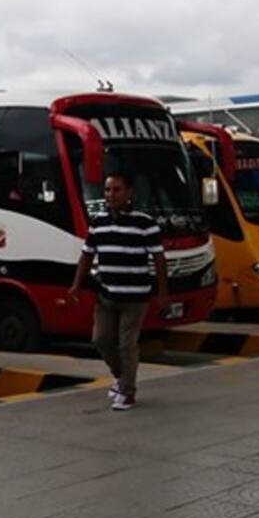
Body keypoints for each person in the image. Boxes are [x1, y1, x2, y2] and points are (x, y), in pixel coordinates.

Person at [66, 171, 168, 411]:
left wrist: (163, 293)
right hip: (106, 295)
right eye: (107, 190)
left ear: (129, 193)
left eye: (116, 189)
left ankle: (127, 392)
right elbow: (87, 255)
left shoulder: (145, 222)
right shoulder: (98, 222)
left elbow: (159, 259)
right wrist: (76, 284)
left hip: (136, 297)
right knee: (101, 340)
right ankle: (121, 377)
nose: (111, 194)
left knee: (126, 344)